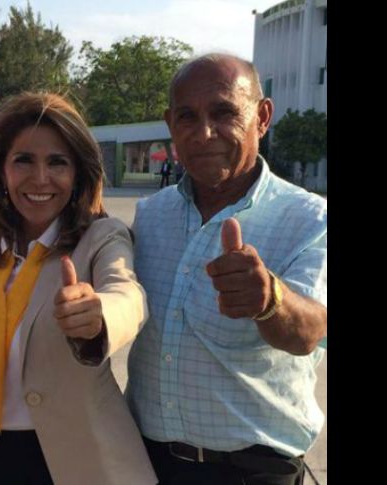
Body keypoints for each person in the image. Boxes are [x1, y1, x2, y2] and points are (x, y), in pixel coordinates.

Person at [0, 92, 157, 485]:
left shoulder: (100, 238)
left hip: (65, 465)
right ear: (0, 172)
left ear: (78, 173)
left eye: (57, 162)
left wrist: (99, 316)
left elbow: (125, 293)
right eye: (23, 160)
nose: (40, 178)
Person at [125, 53, 327, 485]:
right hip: (145, 462)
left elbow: (309, 331)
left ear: (263, 116)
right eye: (187, 117)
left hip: (252, 471)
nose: (204, 133)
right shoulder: (150, 216)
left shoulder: (310, 219)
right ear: (170, 124)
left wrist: (270, 300)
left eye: (224, 112)